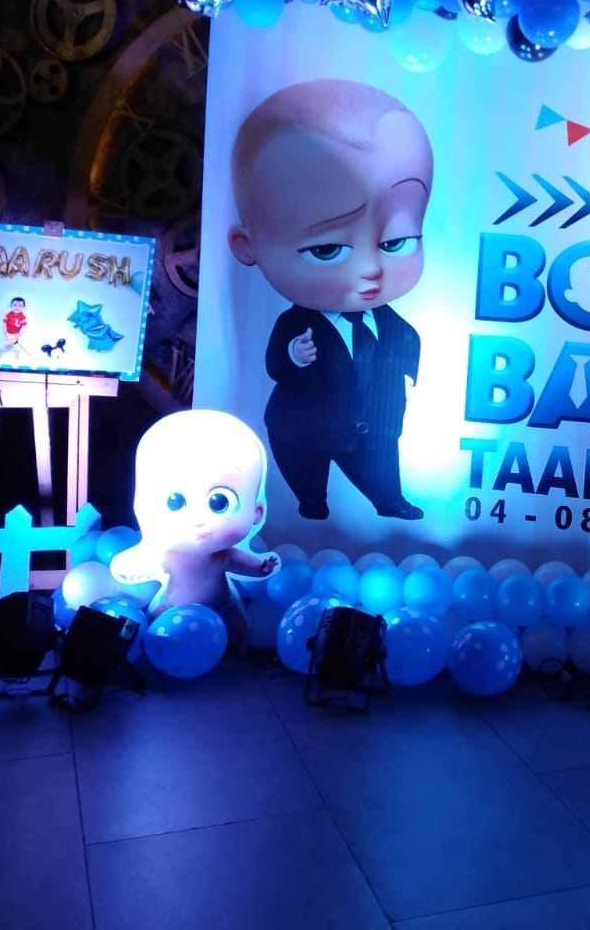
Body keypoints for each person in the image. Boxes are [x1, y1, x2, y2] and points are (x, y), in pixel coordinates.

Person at [227, 78, 433, 521]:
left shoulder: (387, 321)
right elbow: (275, 364)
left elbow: (405, 337)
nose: (369, 268)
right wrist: (293, 355)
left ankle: (390, 501)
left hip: (376, 425)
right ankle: (311, 498)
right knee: (305, 473)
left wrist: (410, 368)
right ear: (248, 246)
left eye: (395, 242)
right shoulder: (296, 326)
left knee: (382, 469)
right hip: (305, 429)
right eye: (326, 249)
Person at [108, 409, 281, 646]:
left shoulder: (224, 556)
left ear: (256, 511)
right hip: (172, 607)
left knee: (238, 630)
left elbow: (246, 565)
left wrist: (262, 567)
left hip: (222, 606)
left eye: (219, 502)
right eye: (175, 502)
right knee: (158, 633)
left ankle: (232, 653)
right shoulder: (168, 555)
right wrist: (132, 571)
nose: (198, 519)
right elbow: (146, 566)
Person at [0, 296, 31, 362]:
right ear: (11, 306)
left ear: (23, 307)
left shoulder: (22, 316)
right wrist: (5, 332)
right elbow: (4, 323)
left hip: (16, 334)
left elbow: (23, 326)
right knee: (1, 344)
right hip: (7, 333)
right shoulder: (8, 315)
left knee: (17, 346)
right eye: (15, 305)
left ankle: (17, 359)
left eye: (20, 306)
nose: (17, 307)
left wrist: (19, 334)